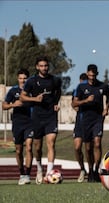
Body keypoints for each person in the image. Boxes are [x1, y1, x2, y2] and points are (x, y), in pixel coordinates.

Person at [20, 56, 62, 184]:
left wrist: (56, 103)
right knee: (37, 148)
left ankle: (49, 173)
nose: (44, 68)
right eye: (42, 66)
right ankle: (39, 168)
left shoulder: (54, 80)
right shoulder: (31, 81)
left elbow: (58, 92)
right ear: (37, 67)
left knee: (51, 143)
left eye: (46, 66)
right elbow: (22, 97)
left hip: (51, 116)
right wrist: (34, 100)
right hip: (37, 117)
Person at [72, 64, 109, 182]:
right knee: (88, 147)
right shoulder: (81, 87)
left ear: (96, 74)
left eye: (94, 75)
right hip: (85, 120)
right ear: (87, 74)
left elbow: (108, 98)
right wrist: (86, 100)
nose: (92, 77)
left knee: (97, 143)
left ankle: (96, 169)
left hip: (98, 119)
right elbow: (74, 104)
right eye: (90, 75)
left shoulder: (103, 86)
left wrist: (106, 109)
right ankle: (89, 169)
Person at [2, 69, 34, 185]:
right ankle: (22, 173)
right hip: (17, 123)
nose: (23, 80)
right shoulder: (13, 91)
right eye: (20, 78)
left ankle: (28, 174)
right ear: (18, 79)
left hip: (30, 123)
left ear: (28, 79)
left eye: (25, 78)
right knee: (19, 150)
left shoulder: (32, 90)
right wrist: (13, 104)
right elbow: (4, 106)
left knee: (29, 147)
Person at [72, 73, 88, 182]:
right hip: (79, 122)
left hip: (90, 122)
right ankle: (82, 169)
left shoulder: (93, 90)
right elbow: (73, 104)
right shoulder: (77, 90)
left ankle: (92, 170)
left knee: (89, 148)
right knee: (77, 147)